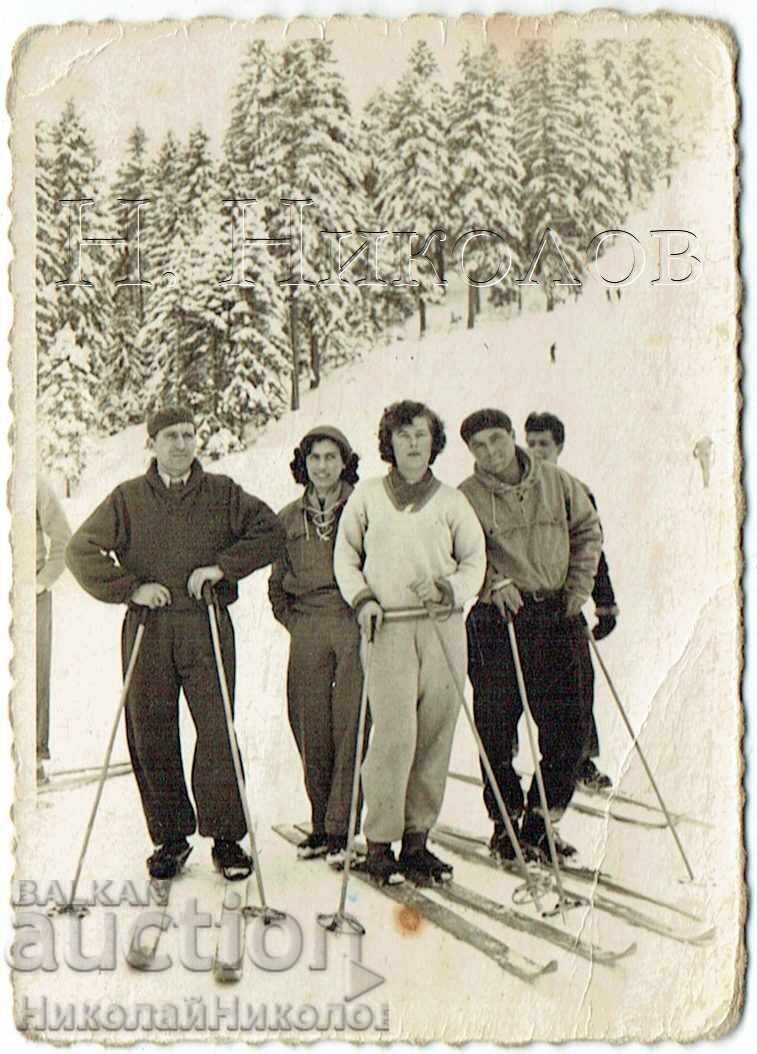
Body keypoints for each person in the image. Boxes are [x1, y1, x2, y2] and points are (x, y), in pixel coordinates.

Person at [66, 406, 285, 881]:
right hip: (150, 625)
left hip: (205, 623)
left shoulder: (222, 493)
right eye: (171, 436)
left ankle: (226, 839)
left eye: (189, 434)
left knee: (215, 729)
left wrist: (222, 567)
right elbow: (80, 550)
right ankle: (170, 838)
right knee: (151, 730)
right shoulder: (127, 498)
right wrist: (130, 587)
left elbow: (271, 530)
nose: (182, 444)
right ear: (153, 444)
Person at [334, 400, 486, 884]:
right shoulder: (367, 497)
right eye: (403, 436)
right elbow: (345, 557)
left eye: (421, 434)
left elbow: (474, 563)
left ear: (433, 441)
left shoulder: (451, 501)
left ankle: (418, 839)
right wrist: (363, 600)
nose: (413, 443)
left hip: (442, 625)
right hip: (389, 625)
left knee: (436, 733)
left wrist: (449, 589)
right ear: (390, 443)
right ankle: (380, 842)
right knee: (394, 736)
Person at [459, 409, 601, 862]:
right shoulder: (464, 497)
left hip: (556, 614)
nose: (489, 452)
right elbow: (457, 552)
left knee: (571, 728)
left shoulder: (557, 482)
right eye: (478, 446)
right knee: (497, 729)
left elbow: (587, 531)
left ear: (511, 437)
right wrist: (491, 582)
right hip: (497, 623)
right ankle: (505, 824)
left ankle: (541, 819)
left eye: (496, 440)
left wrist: (580, 587)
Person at [268, 426, 365, 867]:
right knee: (308, 721)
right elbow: (276, 583)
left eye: (331, 457)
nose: (322, 466)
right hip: (307, 625)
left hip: (350, 622)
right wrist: (293, 621)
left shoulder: (364, 510)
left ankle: (341, 826)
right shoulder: (287, 518)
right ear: (303, 464)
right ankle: (319, 819)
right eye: (314, 458)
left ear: (345, 462)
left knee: (351, 721)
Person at [524, 411, 619, 792]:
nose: (535, 451)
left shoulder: (573, 489)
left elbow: (593, 550)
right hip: (526, 605)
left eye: (543, 444)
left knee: (578, 686)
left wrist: (604, 603)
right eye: (529, 443)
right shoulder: (516, 489)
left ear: (559, 447)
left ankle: (582, 760)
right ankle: (509, 758)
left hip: (565, 605)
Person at [36, 476, 72, 784]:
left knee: (31, 675)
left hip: (28, 597)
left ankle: (31, 759)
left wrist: (41, 580)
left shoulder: (30, 482)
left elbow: (63, 540)